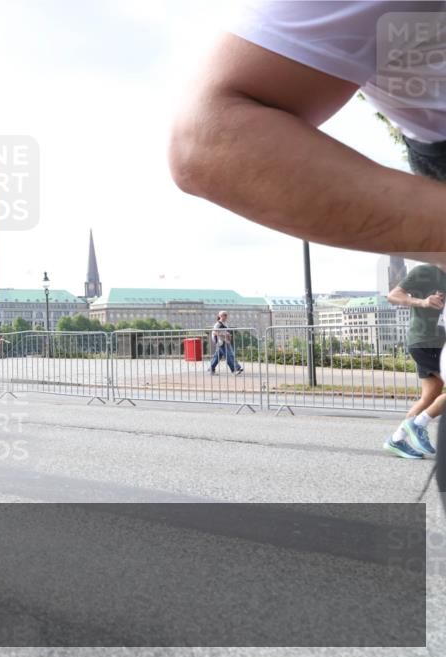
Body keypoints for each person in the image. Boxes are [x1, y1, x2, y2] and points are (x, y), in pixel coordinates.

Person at [169, 2, 446, 484]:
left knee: (436, 389)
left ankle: (410, 428)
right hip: (424, 336)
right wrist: (423, 298)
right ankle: (410, 429)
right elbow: (205, 141)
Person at [384, 265, 446, 458]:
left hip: (440, 345)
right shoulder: (424, 272)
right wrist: (424, 302)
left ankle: (396, 440)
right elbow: (393, 295)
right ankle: (418, 423)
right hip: (426, 342)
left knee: (429, 397)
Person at [208, 311, 243, 375]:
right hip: (220, 342)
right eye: (225, 315)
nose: (226, 316)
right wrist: (224, 334)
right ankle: (234, 370)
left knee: (218, 356)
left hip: (225, 341)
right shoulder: (218, 324)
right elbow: (214, 332)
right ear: (220, 316)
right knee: (228, 356)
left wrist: (228, 336)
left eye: (226, 315)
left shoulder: (225, 323)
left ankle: (211, 368)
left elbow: (226, 332)